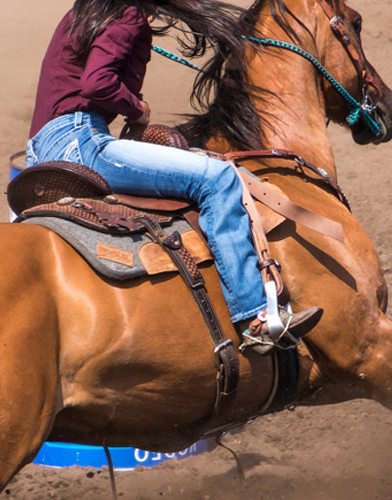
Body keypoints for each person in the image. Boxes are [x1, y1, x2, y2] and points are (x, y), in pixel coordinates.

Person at [25, 0, 321, 351]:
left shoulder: (87, 13)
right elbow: (97, 83)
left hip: (40, 150)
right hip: (81, 139)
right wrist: (137, 109)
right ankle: (254, 315)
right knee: (217, 179)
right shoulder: (127, 13)